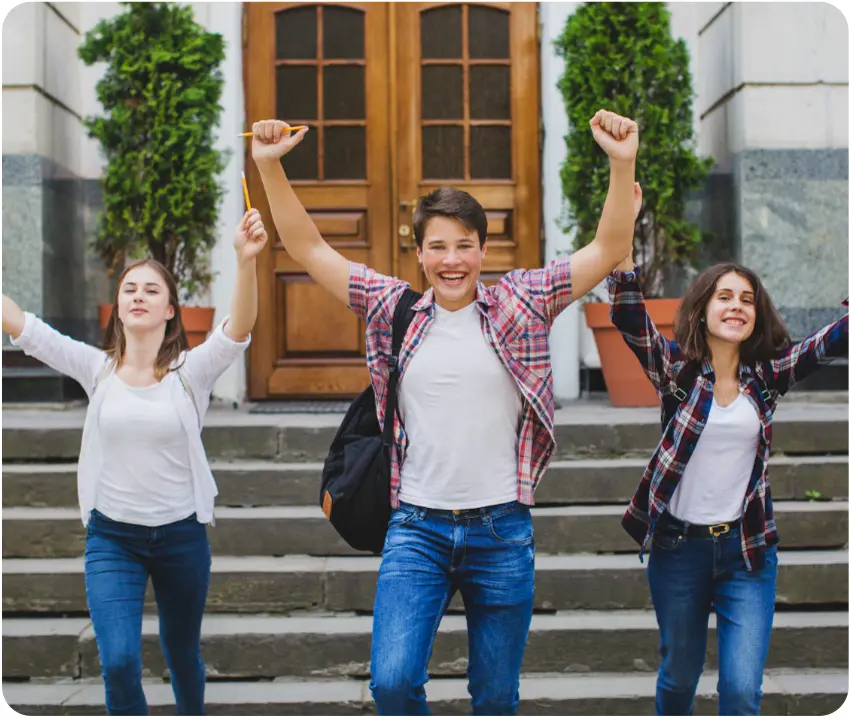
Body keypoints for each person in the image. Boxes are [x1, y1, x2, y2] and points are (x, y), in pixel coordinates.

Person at [250, 109, 639, 715]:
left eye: (464, 245)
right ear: (419, 253)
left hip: (501, 531)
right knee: (393, 683)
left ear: (484, 249)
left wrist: (621, 162)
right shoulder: (392, 308)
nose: (451, 259)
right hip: (417, 530)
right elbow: (307, 246)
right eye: (438, 246)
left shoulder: (521, 302)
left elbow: (609, 246)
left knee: (495, 696)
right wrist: (270, 168)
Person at [1, 209, 269, 715]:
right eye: (129, 289)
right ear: (117, 307)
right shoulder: (95, 368)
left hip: (181, 536)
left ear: (171, 309)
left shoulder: (193, 371)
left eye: (151, 289)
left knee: (182, 653)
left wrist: (245, 259)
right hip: (113, 538)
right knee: (120, 661)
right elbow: (25, 326)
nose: (139, 295)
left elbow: (240, 328)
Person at [609, 249, 848, 716]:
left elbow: (822, 344)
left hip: (748, 550)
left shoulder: (767, 375)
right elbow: (632, 321)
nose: (737, 305)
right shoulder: (676, 370)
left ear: (757, 315)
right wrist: (621, 260)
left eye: (747, 299)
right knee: (680, 676)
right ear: (702, 309)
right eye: (724, 297)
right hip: (678, 550)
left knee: (741, 691)